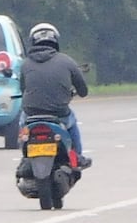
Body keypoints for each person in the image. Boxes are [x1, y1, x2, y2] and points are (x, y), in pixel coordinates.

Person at [19, 22, 91, 167]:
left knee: (22, 123)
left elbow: (22, 89)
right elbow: (83, 91)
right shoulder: (67, 61)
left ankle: (24, 157)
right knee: (72, 121)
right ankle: (77, 157)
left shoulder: (25, 64)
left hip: (31, 115)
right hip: (59, 114)